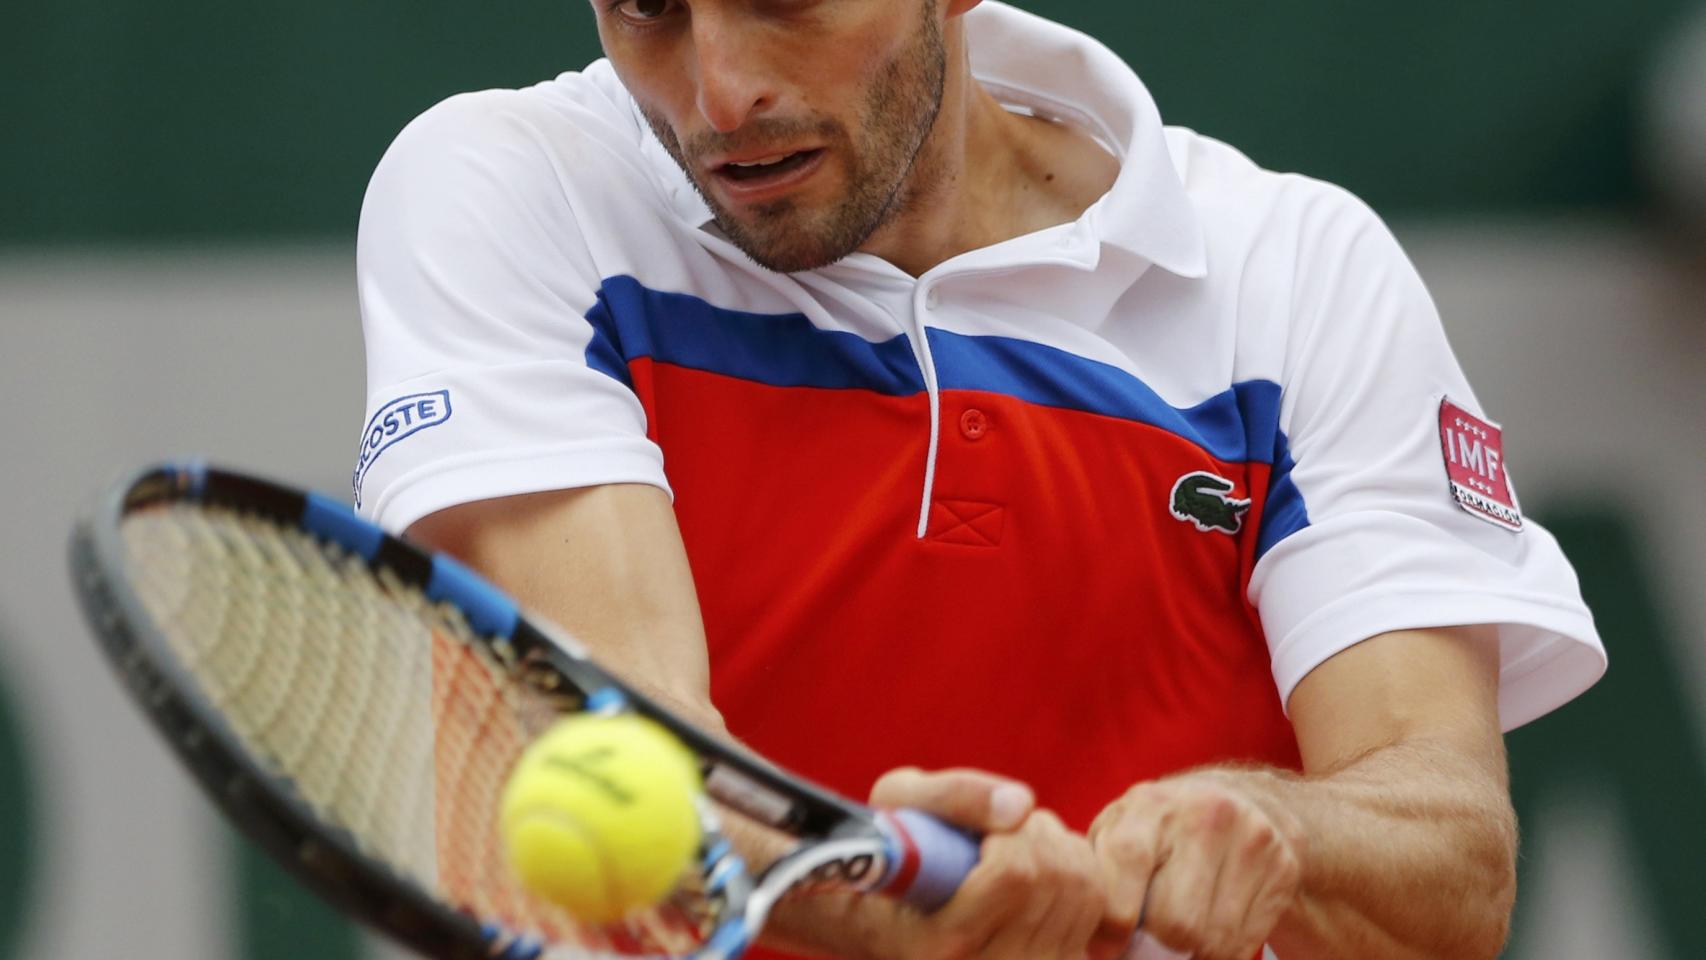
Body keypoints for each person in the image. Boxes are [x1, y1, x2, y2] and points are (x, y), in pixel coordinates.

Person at [352, 1, 1607, 957]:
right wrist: (893, 889)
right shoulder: (511, 185)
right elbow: (612, 737)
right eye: (646, 7)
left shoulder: (1295, 269)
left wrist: (1271, 825)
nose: (718, 96)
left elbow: (1452, 855)